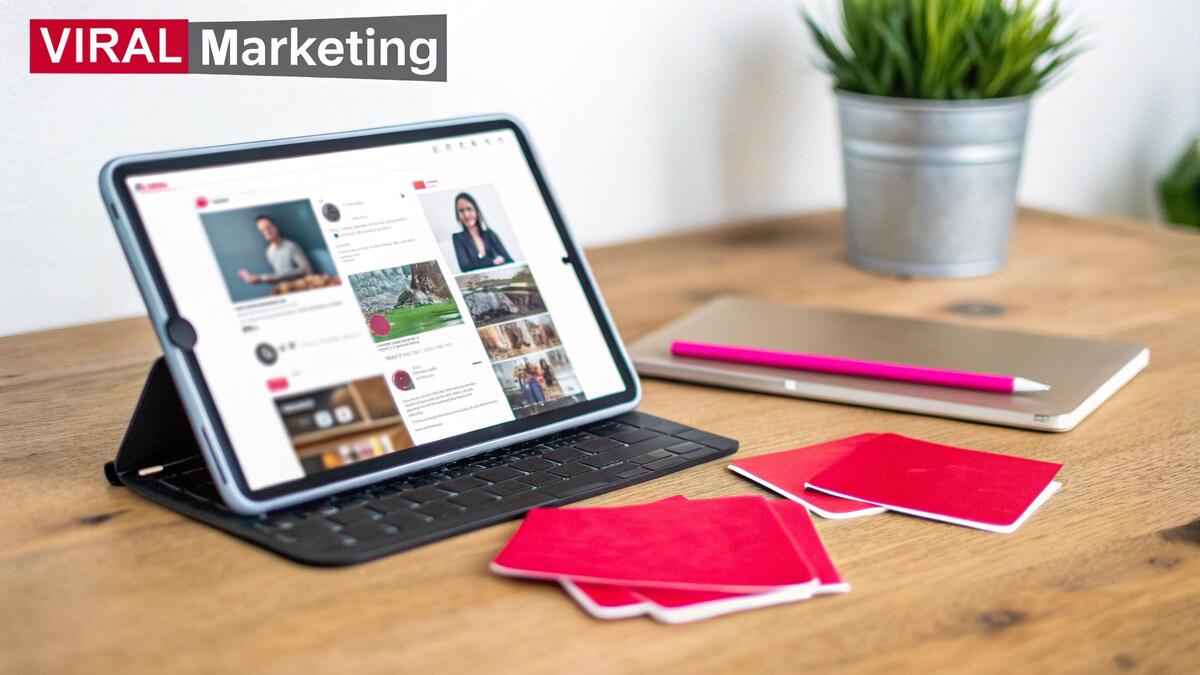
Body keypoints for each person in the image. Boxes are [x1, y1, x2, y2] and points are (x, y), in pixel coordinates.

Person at [237, 215, 314, 286]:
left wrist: (262, 278)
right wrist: (261, 279)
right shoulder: (269, 252)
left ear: (276, 227)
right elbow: (280, 277)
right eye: (262, 230)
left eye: (268, 227)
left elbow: (307, 270)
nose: (266, 232)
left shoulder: (291, 246)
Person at [450, 192, 513, 272]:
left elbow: (509, 260)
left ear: (476, 210)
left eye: (469, 209)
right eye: (461, 211)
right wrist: (493, 261)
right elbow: (465, 267)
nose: (466, 215)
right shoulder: (457, 237)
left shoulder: (490, 234)